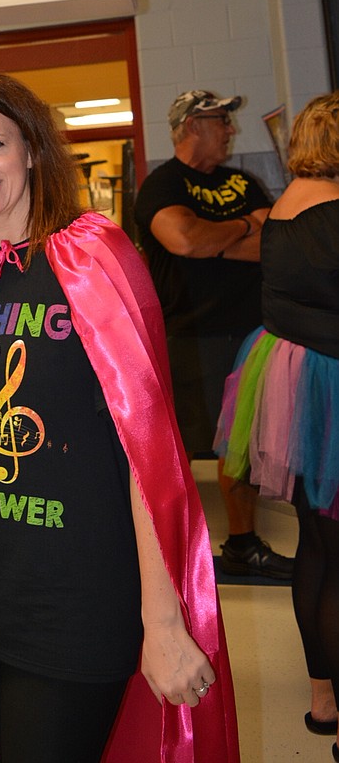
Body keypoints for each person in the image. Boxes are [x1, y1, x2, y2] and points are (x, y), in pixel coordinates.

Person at [0, 71, 238, 762]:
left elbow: (144, 451)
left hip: (75, 596)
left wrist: (163, 619)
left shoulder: (94, 256)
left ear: (31, 148)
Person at [216, 92, 339, 754]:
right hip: (329, 384)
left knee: (318, 550)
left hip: (295, 383)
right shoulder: (333, 214)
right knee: (334, 555)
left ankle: (324, 699)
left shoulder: (288, 207)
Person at [134, 90, 293, 580]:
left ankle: (242, 543)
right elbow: (182, 239)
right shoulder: (162, 185)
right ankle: (172, 555)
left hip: (253, 330)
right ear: (190, 126)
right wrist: (245, 225)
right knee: (189, 448)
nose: (230, 129)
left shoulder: (241, 181)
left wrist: (212, 242)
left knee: (243, 442)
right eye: (221, 120)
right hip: (192, 336)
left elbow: (276, 243)